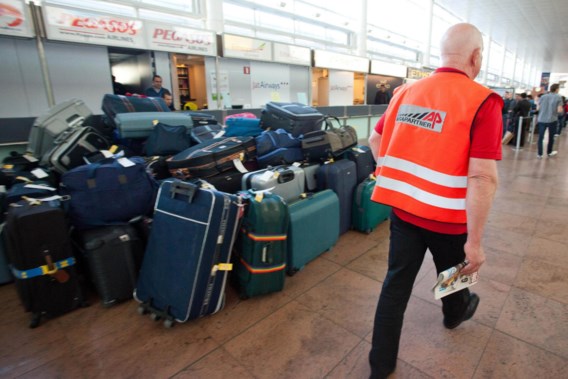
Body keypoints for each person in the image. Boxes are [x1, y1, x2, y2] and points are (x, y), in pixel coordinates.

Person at [367, 23, 502, 379]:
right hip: (449, 221)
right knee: (454, 273)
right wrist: (475, 242)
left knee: (395, 285)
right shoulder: (482, 101)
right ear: (476, 57)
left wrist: (391, 175)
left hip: (404, 214)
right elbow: (482, 177)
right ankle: (454, 313)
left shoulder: (406, 92)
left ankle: (380, 366)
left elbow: (374, 141)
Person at [536, 83, 562, 158]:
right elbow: (559, 110)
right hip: (552, 120)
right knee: (551, 137)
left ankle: (539, 154)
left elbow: (538, 108)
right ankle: (549, 152)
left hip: (541, 119)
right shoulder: (558, 97)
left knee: (540, 137)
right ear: (556, 89)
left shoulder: (543, 96)